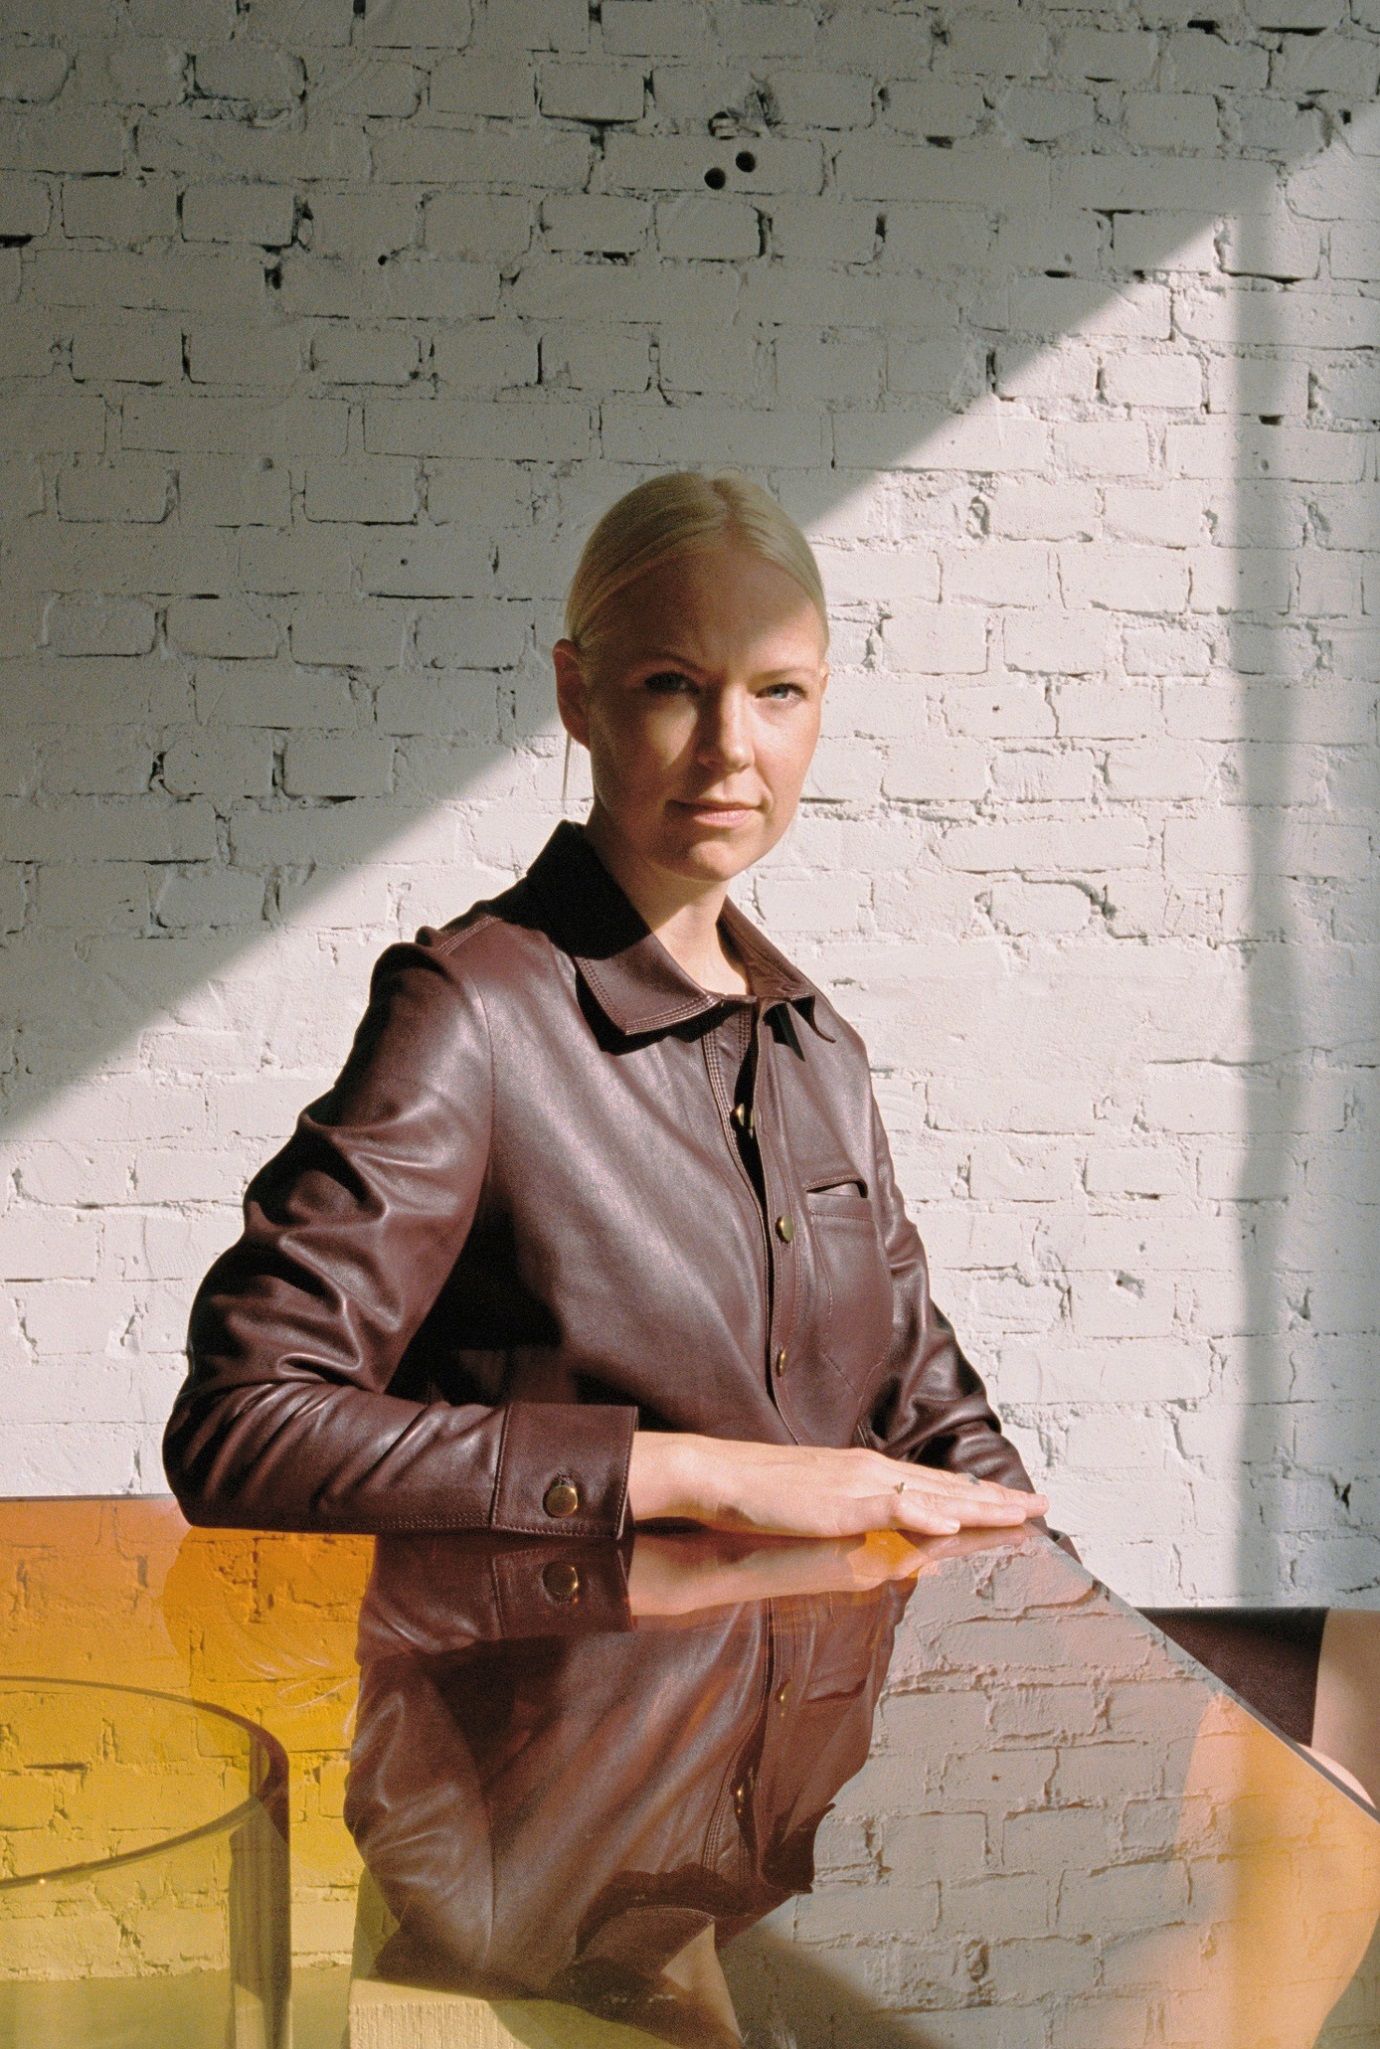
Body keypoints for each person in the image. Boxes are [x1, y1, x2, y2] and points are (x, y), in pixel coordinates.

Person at [161, 467, 1062, 1556]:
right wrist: (690, 1471)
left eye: (778, 691)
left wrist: (1065, 1629)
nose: (732, 745)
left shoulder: (819, 1049)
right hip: (552, 1671)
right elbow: (244, 1423)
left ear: (823, 701)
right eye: (673, 683)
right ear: (578, 696)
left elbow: (938, 1431)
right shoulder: (472, 1014)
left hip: (824, 1669)